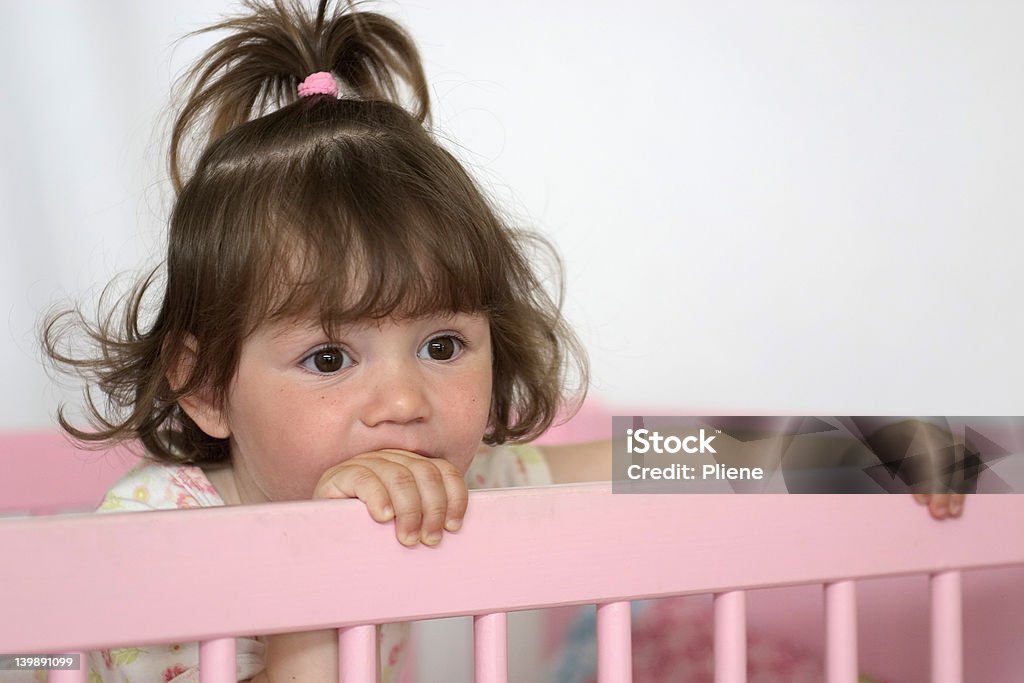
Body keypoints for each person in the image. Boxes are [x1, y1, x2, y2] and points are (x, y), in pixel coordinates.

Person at [38, 1, 963, 681]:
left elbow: (654, 459)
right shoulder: (156, 540)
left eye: (443, 344)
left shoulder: (468, 477)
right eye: (329, 358)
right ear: (202, 387)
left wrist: (859, 447)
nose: (404, 400)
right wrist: (317, 557)